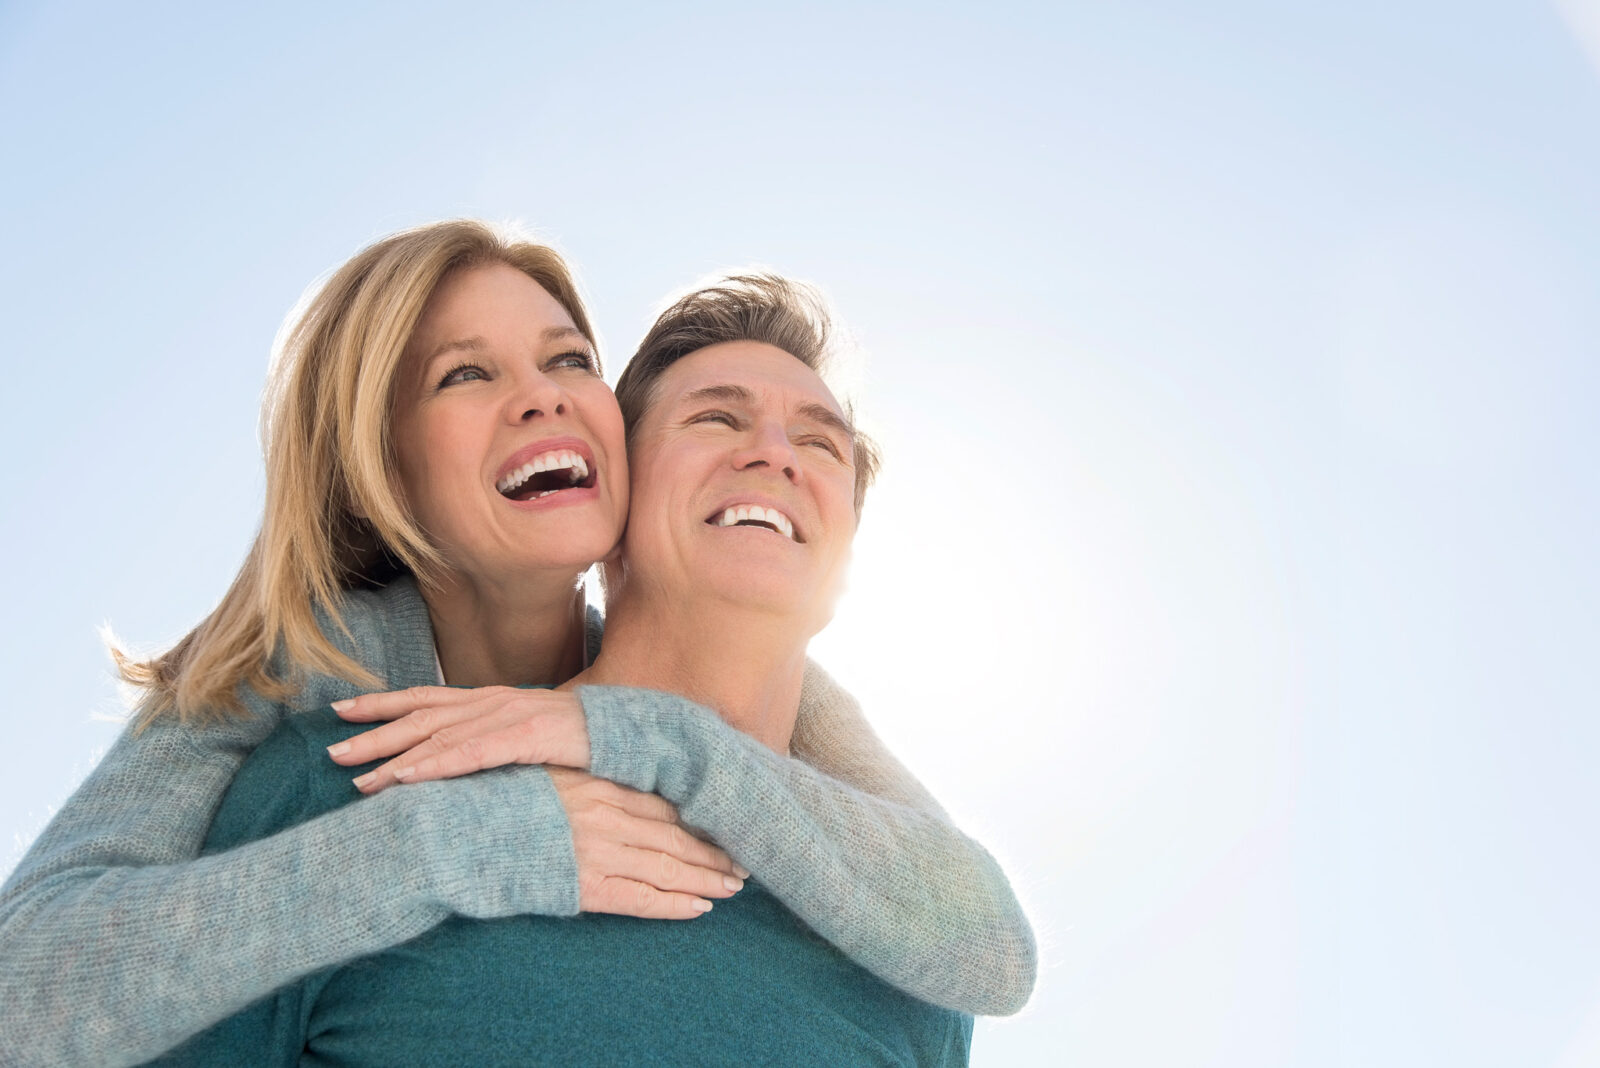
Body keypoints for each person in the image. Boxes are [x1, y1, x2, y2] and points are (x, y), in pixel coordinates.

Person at [0, 222, 1034, 1068]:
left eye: (569, 360)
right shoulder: (322, 744)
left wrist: (640, 732)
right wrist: (459, 840)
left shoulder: (887, 911)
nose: (772, 456)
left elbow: (987, 942)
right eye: (462, 375)